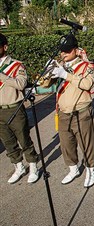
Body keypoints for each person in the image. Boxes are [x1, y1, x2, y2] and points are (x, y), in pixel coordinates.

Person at [49, 34, 94, 188]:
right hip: (63, 112)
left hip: (80, 112)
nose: (63, 54)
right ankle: (73, 168)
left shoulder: (86, 66)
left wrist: (66, 75)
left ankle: (91, 169)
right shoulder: (60, 66)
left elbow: (88, 84)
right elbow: (45, 83)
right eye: (62, 51)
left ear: (76, 51)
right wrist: (49, 72)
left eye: (67, 51)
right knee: (66, 143)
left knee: (86, 143)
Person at [0, 33, 40, 184]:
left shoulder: (16, 65)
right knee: (8, 142)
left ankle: (33, 166)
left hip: (14, 108)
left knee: (24, 139)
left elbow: (21, 84)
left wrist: (1, 76)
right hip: (0, 110)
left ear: (5, 47)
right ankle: (18, 167)